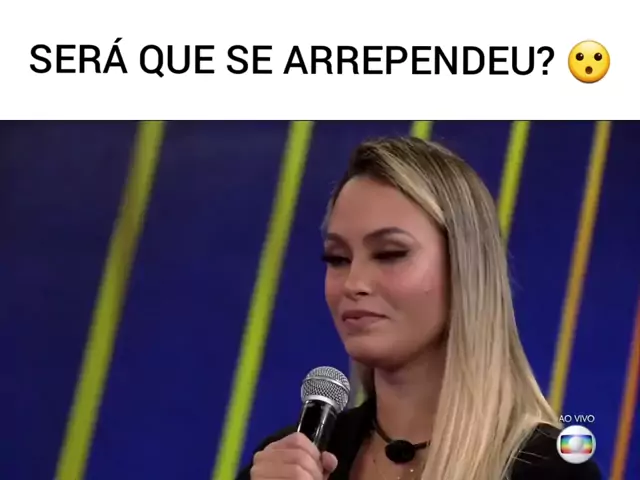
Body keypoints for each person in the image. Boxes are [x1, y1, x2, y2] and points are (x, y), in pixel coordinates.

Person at [237, 137, 602, 480]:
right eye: (337, 258)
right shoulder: (284, 462)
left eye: (390, 253)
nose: (352, 283)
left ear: (465, 269)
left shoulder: (549, 469)